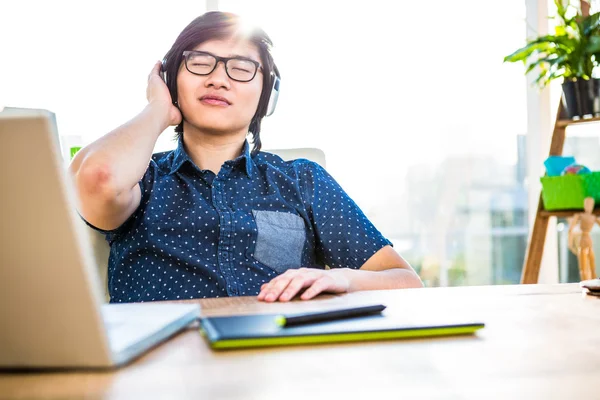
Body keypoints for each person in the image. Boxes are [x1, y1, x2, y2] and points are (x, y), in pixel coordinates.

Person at [69, 11, 422, 303]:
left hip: (280, 366)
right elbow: (98, 178)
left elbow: (406, 281)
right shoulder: (141, 178)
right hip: (160, 373)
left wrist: (345, 279)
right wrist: (159, 109)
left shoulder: (303, 180)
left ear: (266, 97)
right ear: (171, 80)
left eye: (240, 68)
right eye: (200, 63)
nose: (218, 80)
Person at [568, 197, 600, 281]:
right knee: (583, 264)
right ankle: (585, 281)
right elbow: (571, 229)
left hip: (588, 239)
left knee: (591, 262)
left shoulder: (593, 217)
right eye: (587, 204)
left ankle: (593, 281)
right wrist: (570, 242)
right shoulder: (579, 215)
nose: (588, 207)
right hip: (582, 240)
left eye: (590, 205)